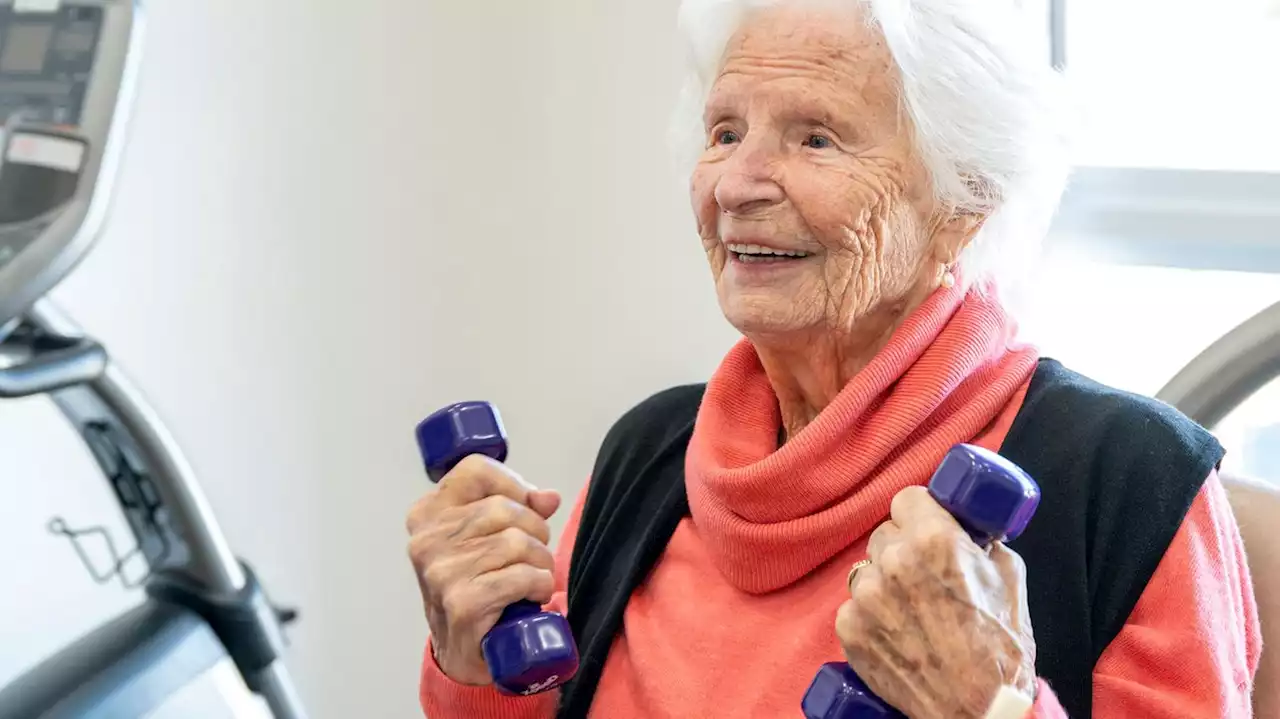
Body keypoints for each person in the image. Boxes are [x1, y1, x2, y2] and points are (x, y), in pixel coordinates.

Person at [405, 0, 1262, 716]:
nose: (737, 184)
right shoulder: (650, 455)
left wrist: (989, 705)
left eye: (815, 139)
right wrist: (470, 662)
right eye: (725, 130)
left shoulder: (1130, 484)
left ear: (964, 201)